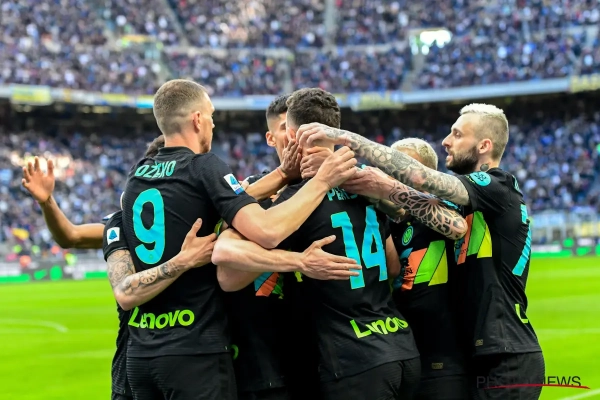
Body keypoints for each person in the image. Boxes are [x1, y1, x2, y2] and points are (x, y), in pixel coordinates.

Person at [119, 79, 357, 400]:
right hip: (195, 345)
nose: (214, 124)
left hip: (142, 351)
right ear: (198, 120)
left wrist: (282, 175)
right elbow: (266, 230)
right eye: (211, 115)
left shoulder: (137, 175)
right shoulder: (204, 166)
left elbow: (226, 199)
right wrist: (322, 181)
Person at [296, 103, 544, 400]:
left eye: (457, 134)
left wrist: (346, 144)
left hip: (506, 351)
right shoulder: (456, 206)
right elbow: (423, 212)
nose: (446, 141)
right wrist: (353, 182)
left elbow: (421, 183)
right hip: (476, 352)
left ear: (484, 146)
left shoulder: (499, 184)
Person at [276, 87, 421, 399]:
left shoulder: (296, 199)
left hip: (352, 358)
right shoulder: (365, 186)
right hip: (401, 347)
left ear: (291, 134)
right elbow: (392, 265)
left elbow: (244, 258)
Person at [214, 93, 359, 400]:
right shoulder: (251, 191)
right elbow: (226, 260)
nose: (298, 138)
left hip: (320, 349)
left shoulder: (345, 187)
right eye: (287, 130)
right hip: (258, 350)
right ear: (271, 138)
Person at [20, 136, 165, 400]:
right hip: (136, 352)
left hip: (189, 355)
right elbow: (71, 236)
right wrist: (46, 201)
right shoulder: (126, 223)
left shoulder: (205, 212)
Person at [387, 138, 469, 400]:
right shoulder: (385, 222)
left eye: (404, 169)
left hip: (443, 359)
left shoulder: (444, 211)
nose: (396, 177)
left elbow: (458, 228)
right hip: (399, 354)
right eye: (391, 169)